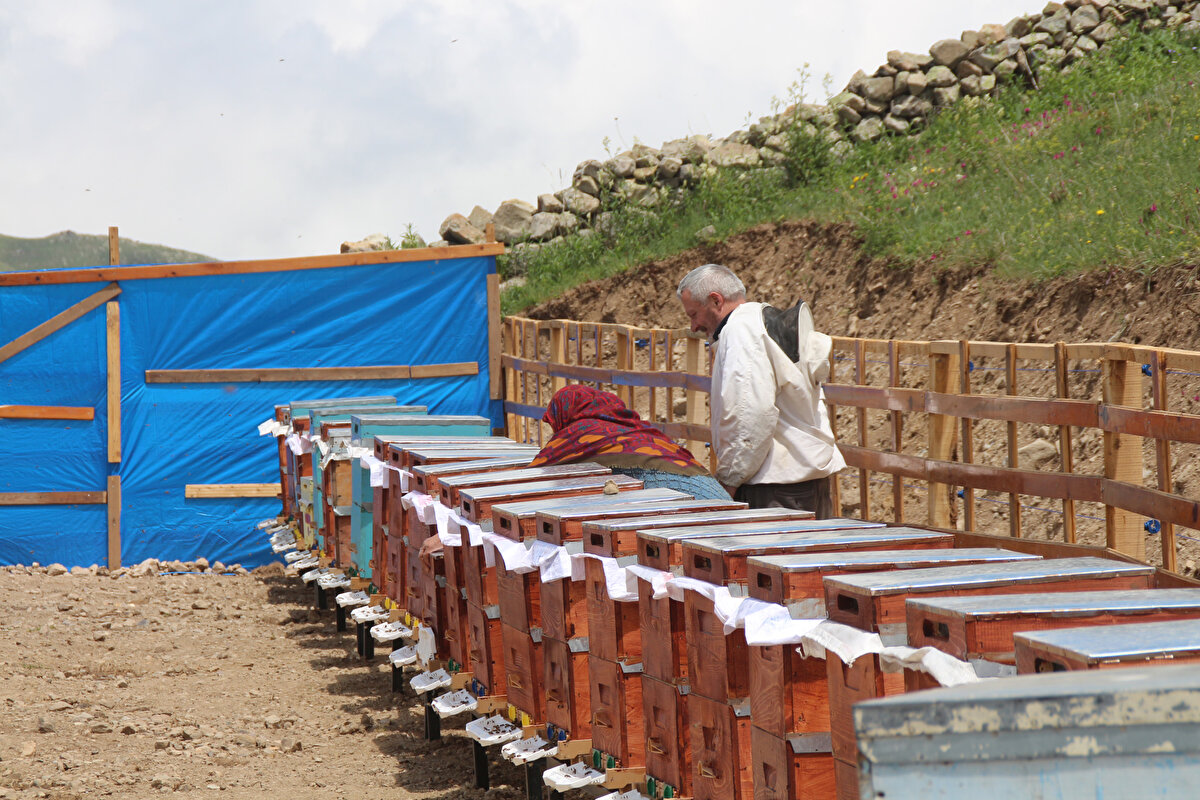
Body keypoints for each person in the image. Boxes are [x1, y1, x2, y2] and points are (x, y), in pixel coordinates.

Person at [676, 263, 845, 516]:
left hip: (775, 491)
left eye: (693, 315)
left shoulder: (741, 331)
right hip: (804, 484)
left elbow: (749, 416)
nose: (693, 326)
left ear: (715, 300)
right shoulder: (762, 320)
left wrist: (728, 485)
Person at [530, 384, 731, 501]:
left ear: (563, 414)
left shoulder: (579, 435)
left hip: (694, 507)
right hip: (720, 498)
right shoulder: (638, 431)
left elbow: (532, 475)